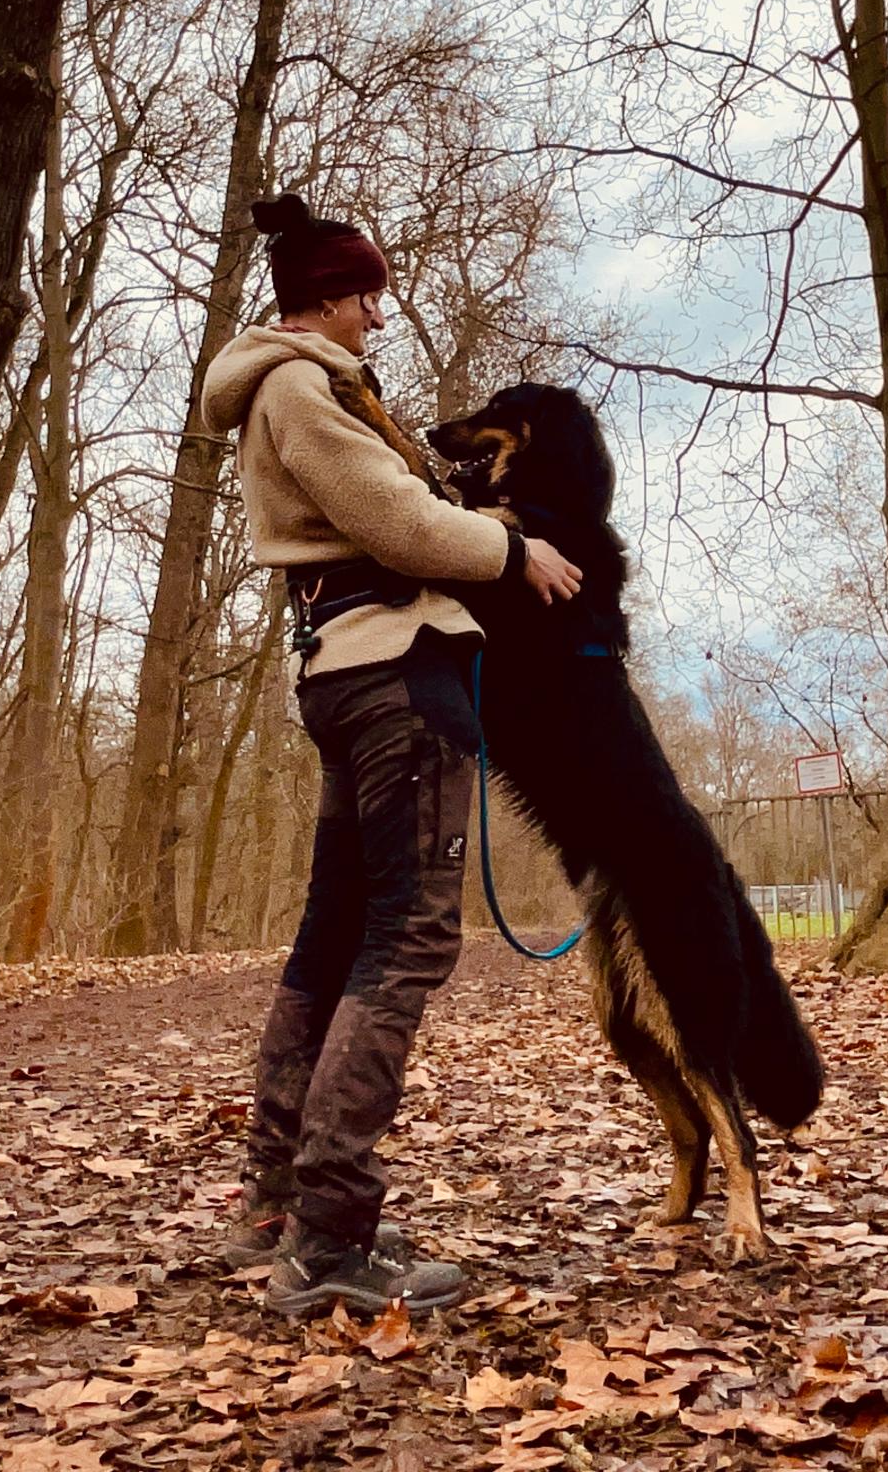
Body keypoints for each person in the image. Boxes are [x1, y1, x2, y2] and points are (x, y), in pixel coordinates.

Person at [201, 194, 581, 1317]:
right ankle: (327, 1235)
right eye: (367, 295)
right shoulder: (299, 386)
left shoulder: (306, 387)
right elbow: (399, 527)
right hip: (394, 677)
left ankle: (278, 1204)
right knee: (406, 938)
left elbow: (396, 506)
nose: (379, 314)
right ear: (325, 297)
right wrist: (513, 550)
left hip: (352, 673)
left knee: (336, 935)